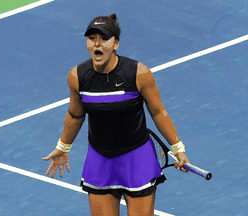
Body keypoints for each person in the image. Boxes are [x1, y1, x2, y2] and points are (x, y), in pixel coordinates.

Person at [42, 13, 190, 216]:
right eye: (92, 38)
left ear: (116, 44)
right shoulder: (77, 76)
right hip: (100, 160)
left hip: (137, 159)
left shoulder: (138, 73)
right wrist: (63, 146)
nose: (97, 44)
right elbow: (76, 115)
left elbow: (158, 112)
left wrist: (178, 148)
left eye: (104, 39)